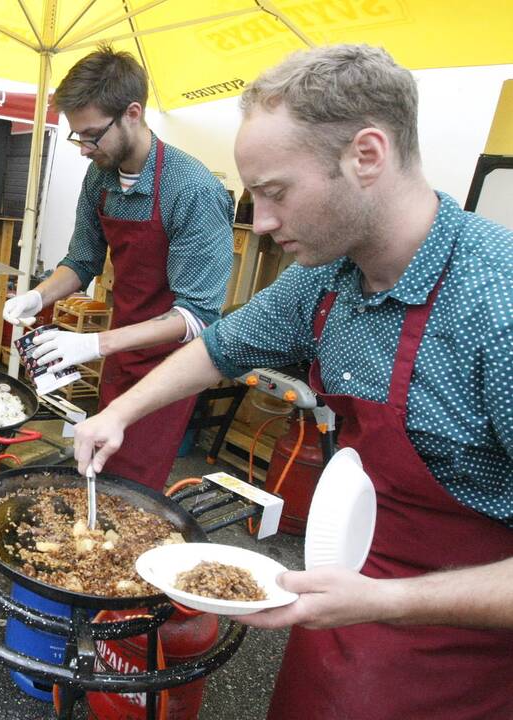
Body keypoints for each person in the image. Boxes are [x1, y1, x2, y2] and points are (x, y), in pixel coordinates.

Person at [73, 45, 513, 719]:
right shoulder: (323, 279)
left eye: (276, 193)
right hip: (337, 605)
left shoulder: (496, 305)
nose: (264, 224)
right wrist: (116, 415)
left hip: (461, 648)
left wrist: (386, 601)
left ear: (366, 155)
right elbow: (218, 348)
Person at [4, 46, 233, 491]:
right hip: (119, 350)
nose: (84, 149)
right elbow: (82, 260)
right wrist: (38, 295)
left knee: (134, 487)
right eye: (78, 137)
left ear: (133, 113)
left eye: (92, 135)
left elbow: (196, 317)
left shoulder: (193, 190)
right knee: (99, 468)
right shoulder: (101, 176)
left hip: (173, 365)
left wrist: (93, 343)